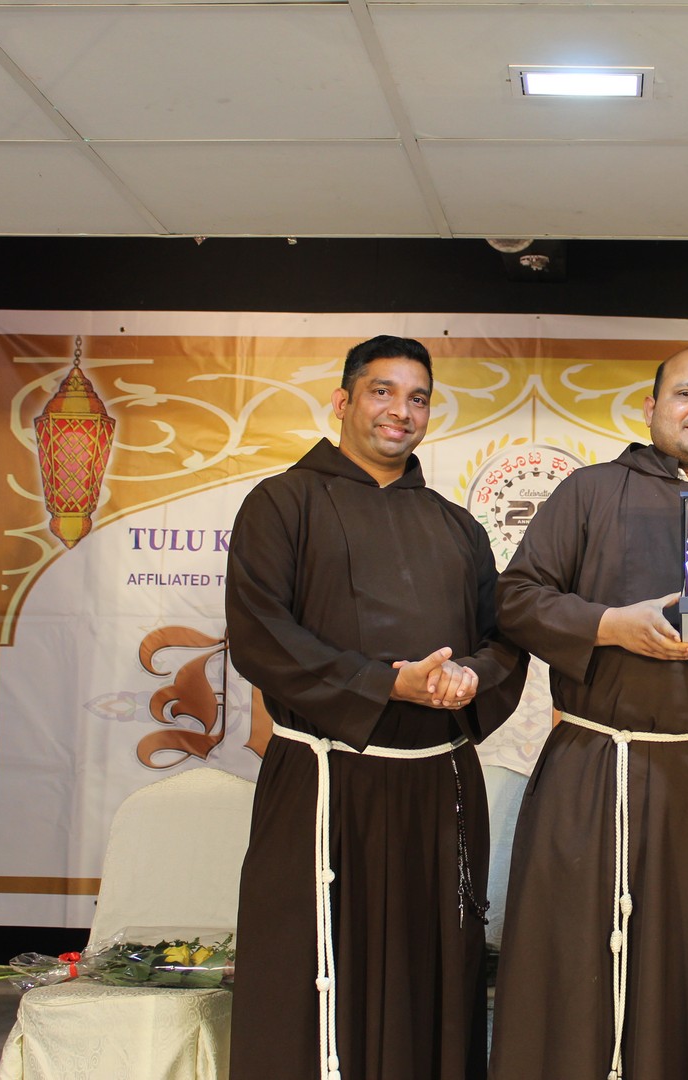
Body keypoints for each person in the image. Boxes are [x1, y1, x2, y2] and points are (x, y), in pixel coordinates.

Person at [224, 335, 526, 1080]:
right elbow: (261, 634)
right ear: (343, 401)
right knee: (310, 968)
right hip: (325, 780)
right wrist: (383, 684)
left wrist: (468, 678)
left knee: (434, 971)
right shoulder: (281, 503)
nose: (401, 411)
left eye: (417, 398)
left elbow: (504, 641)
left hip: (437, 790)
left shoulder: (458, 526)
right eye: (382, 391)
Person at [489, 345, 688, 1080]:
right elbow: (515, 599)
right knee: (579, 965)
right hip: (598, 770)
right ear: (651, 407)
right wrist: (608, 625)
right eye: (686, 393)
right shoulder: (590, 492)